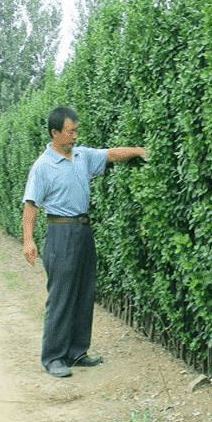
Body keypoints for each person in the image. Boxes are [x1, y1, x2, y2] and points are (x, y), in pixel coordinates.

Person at [22, 106, 147, 378]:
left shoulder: (82, 155)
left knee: (84, 292)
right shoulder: (42, 166)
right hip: (60, 233)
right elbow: (30, 204)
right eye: (71, 131)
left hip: (83, 231)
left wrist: (138, 151)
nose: (76, 135)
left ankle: (77, 352)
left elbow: (111, 154)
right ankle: (53, 357)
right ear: (55, 133)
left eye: (77, 130)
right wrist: (28, 240)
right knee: (61, 296)